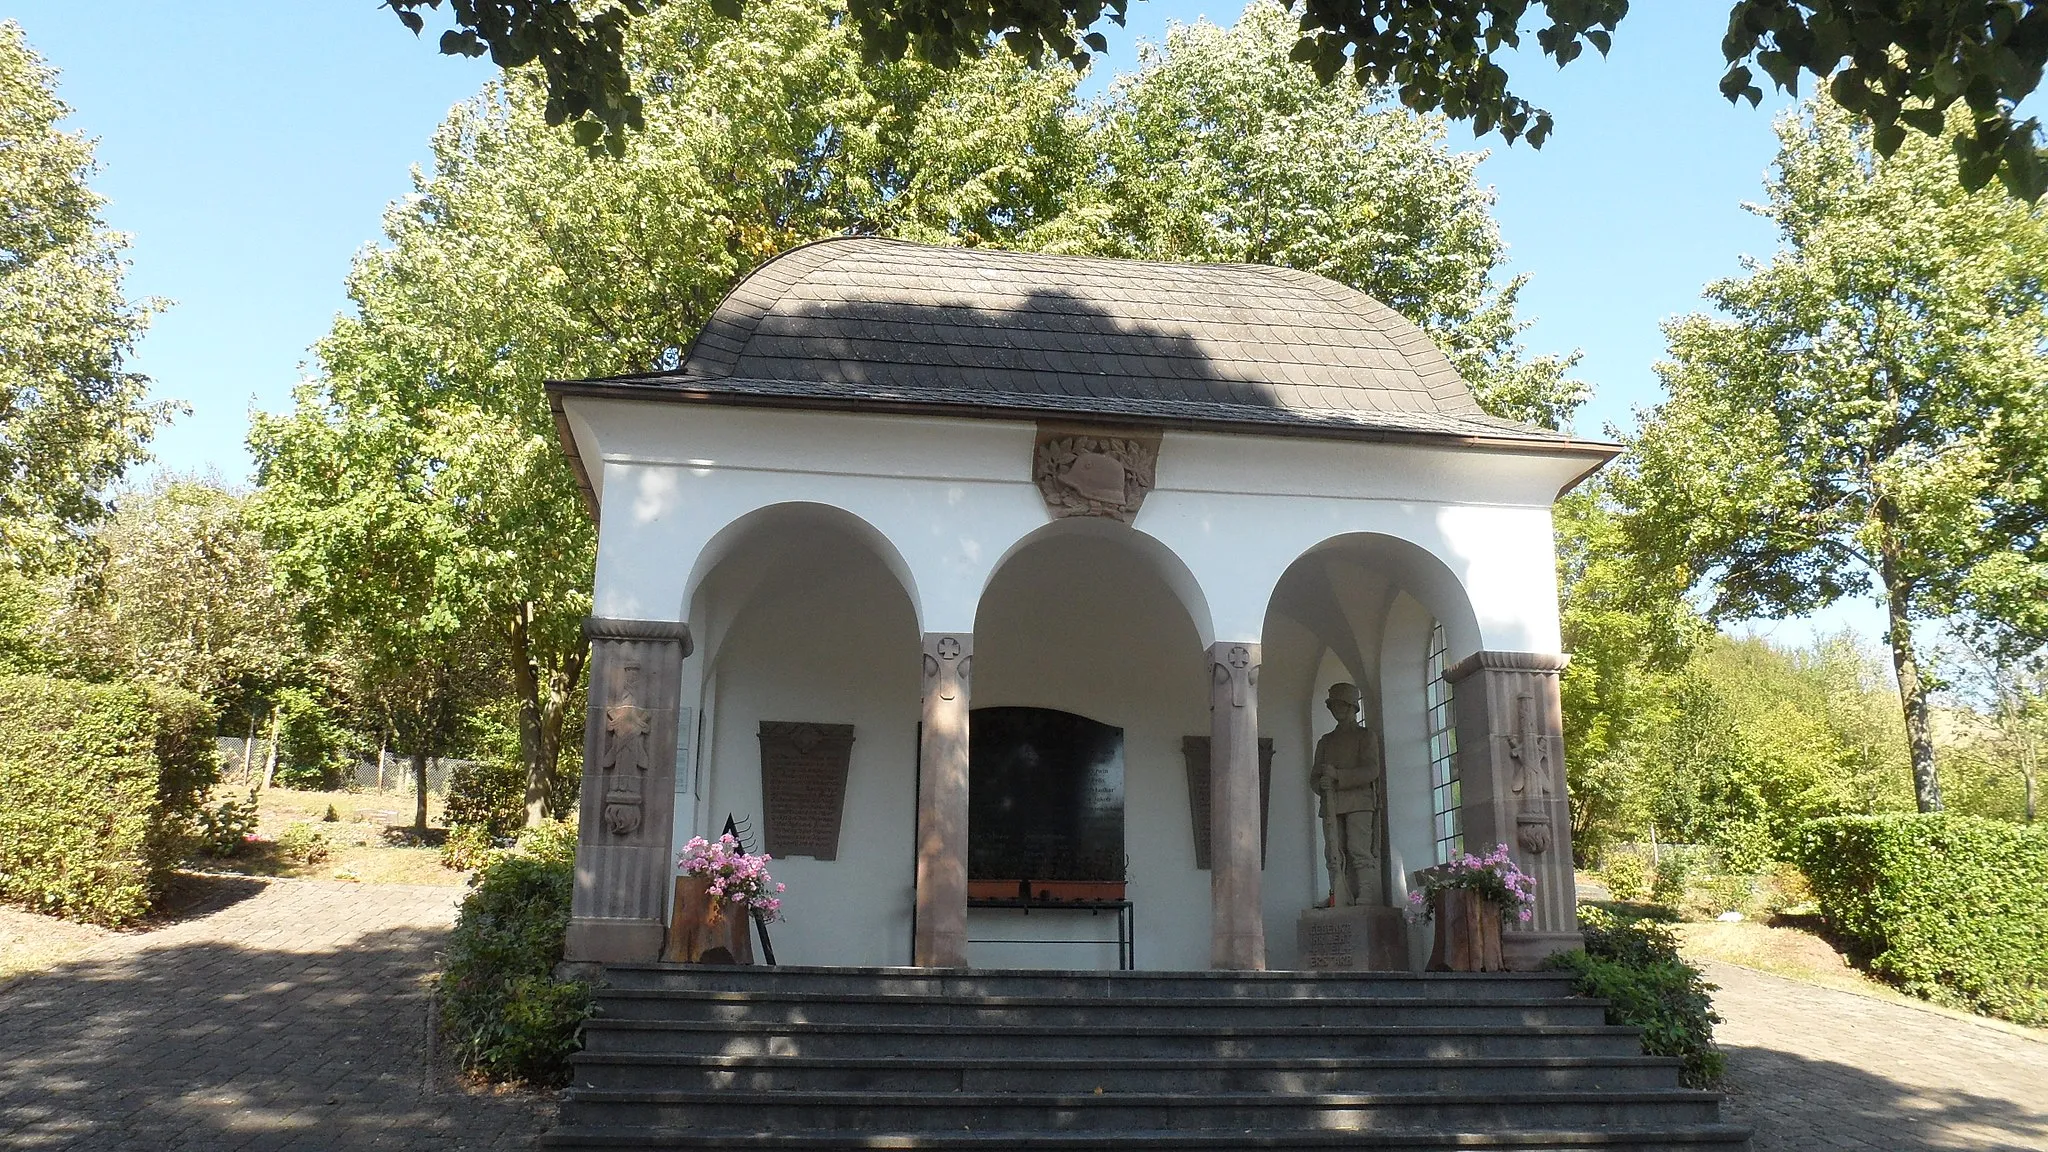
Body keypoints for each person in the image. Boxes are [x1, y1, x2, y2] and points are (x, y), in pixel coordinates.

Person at [1311, 682, 1385, 906]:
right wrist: (1321, 784)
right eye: (1333, 705)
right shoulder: (1326, 741)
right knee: (1334, 851)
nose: (1337, 710)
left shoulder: (1365, 736)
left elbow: (1371, 770)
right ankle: (1338, 894)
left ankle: (1366, 892)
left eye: (1341, 704)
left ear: (1352, 706)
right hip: (1332, 802)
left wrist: (1338, 776)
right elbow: (1314, 776)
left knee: (1357, 848)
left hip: (1359, 802)